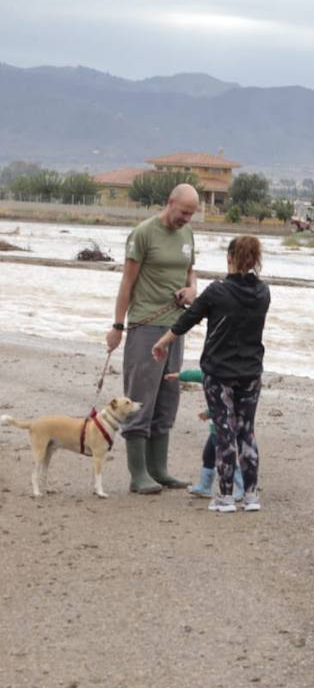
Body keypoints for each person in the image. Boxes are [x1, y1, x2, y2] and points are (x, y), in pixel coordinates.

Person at [152, 236, 271, 513]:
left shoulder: (217, 291)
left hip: (219, 372)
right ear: (255, 260)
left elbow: (188, 318)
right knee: (247, 431)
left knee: (225, 430)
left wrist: (163, 342)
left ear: (229, 257)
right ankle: (251, 495)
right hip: (251, 371)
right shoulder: (263, 292)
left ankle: (226, 496)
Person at [105, 183, 200, 495]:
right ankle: (138, 474)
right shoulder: (143, 233)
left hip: (177, 327)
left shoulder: (187, 234)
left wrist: (192, 291)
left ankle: (159, 469)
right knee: (140, 398)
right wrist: (118, 326)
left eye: (191, 214)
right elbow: (126, 282)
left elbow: (190, 272)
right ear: (169, 202)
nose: (186, 218)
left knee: (168, 397)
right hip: (145, 326)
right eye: (183, 212)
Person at [170, 367, 245, 501]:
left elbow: (226, 404)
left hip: (224, 429)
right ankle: (205, 486)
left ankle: (242, 486)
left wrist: (209, 413)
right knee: (208, 456)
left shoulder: (228, 378)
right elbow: (199, 375)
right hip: (215, 429)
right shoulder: (214, 374)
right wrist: (179, 375)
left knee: (227, 457)